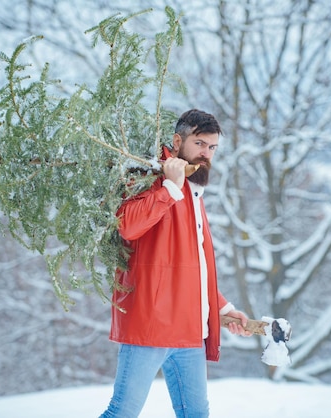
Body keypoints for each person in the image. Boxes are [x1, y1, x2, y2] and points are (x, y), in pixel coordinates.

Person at [100, 109, 252, 418]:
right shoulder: (148, 175)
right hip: (150, 326)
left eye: (212, 148)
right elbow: (126, 225)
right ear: (177, 140)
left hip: (189, 331)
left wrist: (222, 309)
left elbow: (191, 264)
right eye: (199, 144)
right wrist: (169, 187)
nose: (206, 154)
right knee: (121, 414)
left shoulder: (193, 190)